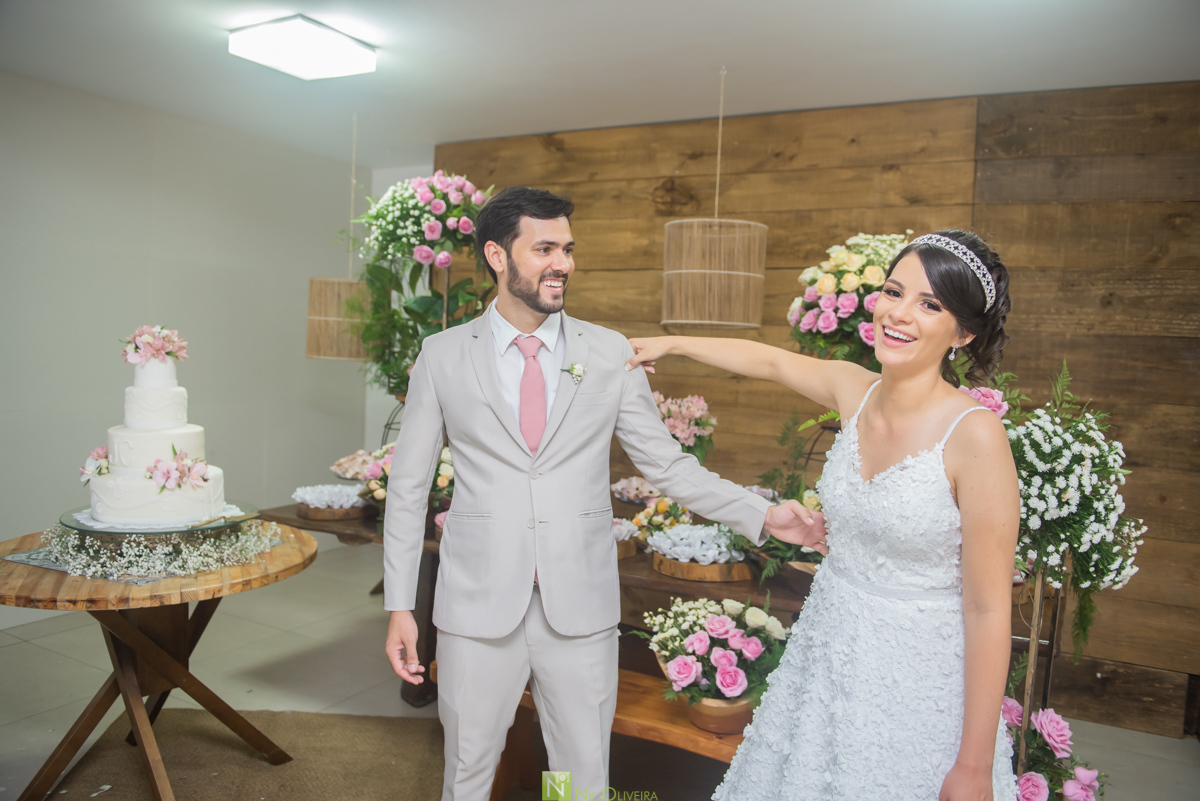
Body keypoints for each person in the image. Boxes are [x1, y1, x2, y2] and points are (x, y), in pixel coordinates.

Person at [382, 186, 826, 801]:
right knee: (468, 766)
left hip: (581, 605)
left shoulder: (609, 352)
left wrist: (764, 514)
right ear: (496, 255)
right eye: (543, 249)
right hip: (476, 606)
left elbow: (669, 466)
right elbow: (407, 488)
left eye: (567, 248)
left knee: (577, 775)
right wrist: (400, 605)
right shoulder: (443, 355)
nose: (562, 262)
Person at [626, 230, 1020, 801]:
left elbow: (987, 610)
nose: (899, 314)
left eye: (929, 305)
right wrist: (671, 344)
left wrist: (974, 766)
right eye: (894, 292)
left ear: (964, 333)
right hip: (826, 652)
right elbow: (767, 360)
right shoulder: (852, 389)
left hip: (914, 680)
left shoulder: (975, 436)